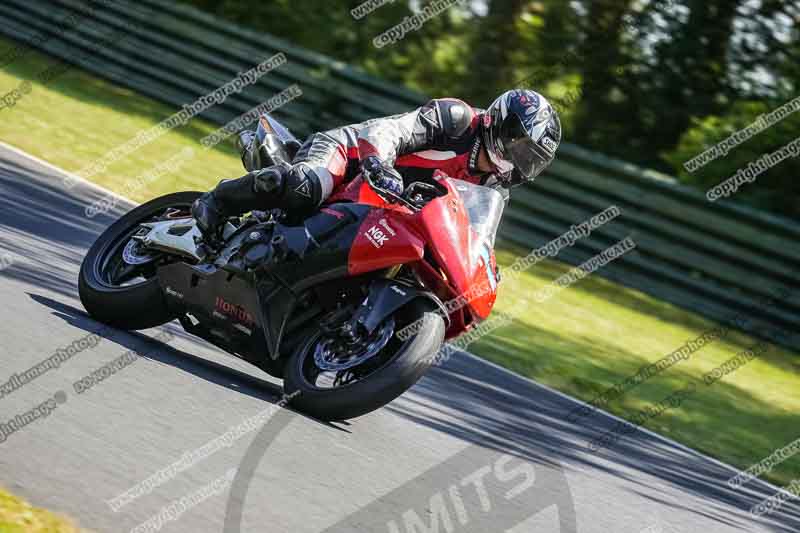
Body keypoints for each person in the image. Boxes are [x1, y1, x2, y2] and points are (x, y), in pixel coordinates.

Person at [191, 89, 562, 239]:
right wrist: (379, 164)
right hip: (351, 157)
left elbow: (475, 239)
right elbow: (391, 131)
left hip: (382, 212)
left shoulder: (492, 189)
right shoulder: (458, 120)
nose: (518, 160)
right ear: (502, 124)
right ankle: (217, 201)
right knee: (306, 186)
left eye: (531, 160)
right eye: (521, 147)